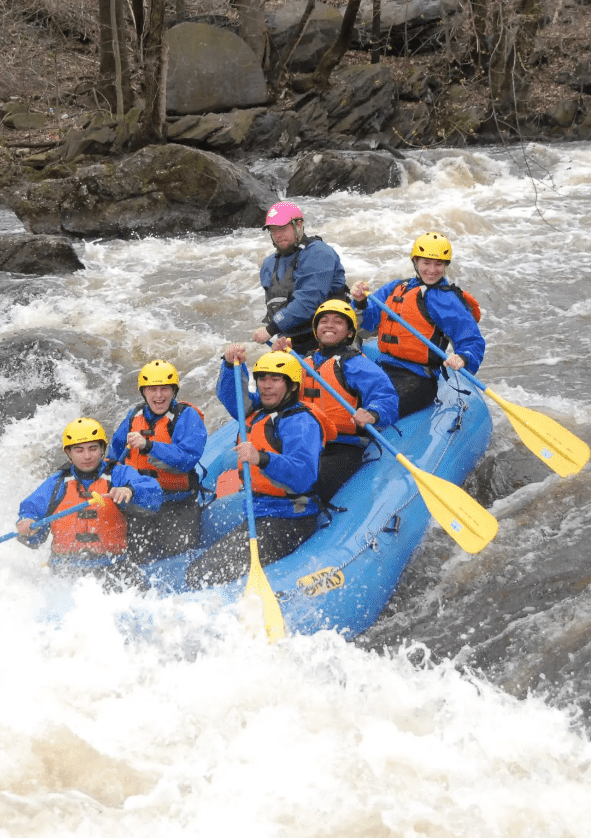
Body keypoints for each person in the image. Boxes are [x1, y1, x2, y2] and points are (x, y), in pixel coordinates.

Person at [185, 348, 325, 589]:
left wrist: (261, 458)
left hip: (290, 518)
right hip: (262, 511)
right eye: (262, 379)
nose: (267, 386)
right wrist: (230, 366)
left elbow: (303, 475)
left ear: (292, 386)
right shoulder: (261, 410)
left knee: (202, 575)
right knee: (198, 572)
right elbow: (233, 397)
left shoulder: (300, 422)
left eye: (275, 379)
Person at [17, 417, 163, 590]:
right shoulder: (57, 483)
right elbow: (31, 512)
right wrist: (26, 523)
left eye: (93, 448)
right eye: (79, 450)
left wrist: (130, 490)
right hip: (65, 569)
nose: (87, 456)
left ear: (102, 449)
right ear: (69, 453)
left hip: (113, 566)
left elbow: (153, 493)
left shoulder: (118, 474)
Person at [351, 231, 486, 418]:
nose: (432, 270)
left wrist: (463, 357)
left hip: (418, 378)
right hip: (384, 367)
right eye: (426, 263)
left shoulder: (446, 299)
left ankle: (371, 423)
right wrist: (359, 302)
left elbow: (472, 340)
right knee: (347, 397)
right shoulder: (396, 288)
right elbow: (366, 323)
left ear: (446, 265)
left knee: (372, 408)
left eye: (438, 264)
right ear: (415, 262)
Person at [298, 299, 399, 503]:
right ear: (316, 330)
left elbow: (386, 396)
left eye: (338, 322)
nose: (329, 325)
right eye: (324, 321)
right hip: (305, 440)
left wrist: (372, 414)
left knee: (307, 485)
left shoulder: (357, 365)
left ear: (350, 333)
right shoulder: (302, 362)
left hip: (343, 446)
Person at [108, 359, 208, 564]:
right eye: (152, 389)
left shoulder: (186, 416)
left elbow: (187, 458)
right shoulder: (134, 416)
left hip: (177, 503)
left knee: (177, 560)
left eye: (165, 389)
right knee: (137, 560)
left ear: (174, 391)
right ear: (144, 392)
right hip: (141, 503)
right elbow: (113, 457)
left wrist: (149, 446)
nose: (159, 396)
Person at [251, 201, 349, 355]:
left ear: (298, 225)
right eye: (273, 230)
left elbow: (308, 301)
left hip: (326, 339)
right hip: (290, 341)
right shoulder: (269, 264)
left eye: (282, 228)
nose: (278, 234)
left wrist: (271, 329)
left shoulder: (319, 253)